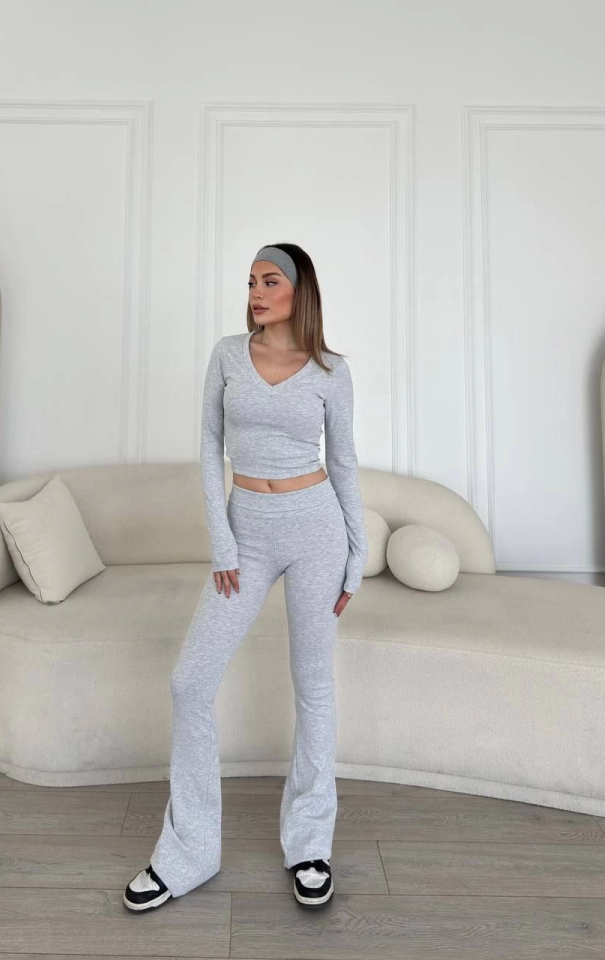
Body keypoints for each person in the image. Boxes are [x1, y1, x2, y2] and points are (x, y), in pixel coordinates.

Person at [123, 243, 368, 913]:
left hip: (316, 529)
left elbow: (344, 462)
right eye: (252, 281)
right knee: (190, 681)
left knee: (313, 686)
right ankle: (190, 852)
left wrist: (358, 552)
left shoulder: (331, 370)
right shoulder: (229, 355)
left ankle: (310, 845)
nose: (256, 292)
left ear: (299, 290)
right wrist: (223, 541)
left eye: (270, 280)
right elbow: (209, 447)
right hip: (247, 533)